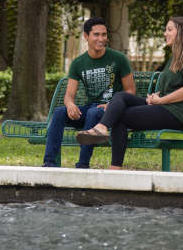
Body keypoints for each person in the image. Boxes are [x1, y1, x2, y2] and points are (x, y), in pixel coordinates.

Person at [76, 16, 183, 170]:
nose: (165, 33)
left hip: (178, 113)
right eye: (166, 30)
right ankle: (102, 128)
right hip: (166, 106)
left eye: (169, 29)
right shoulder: (176, 57)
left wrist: (161, 101)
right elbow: (173, 86)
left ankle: (114, 167)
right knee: (121, 96)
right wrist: (156, 95)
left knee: (120, 117)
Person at [43, 16, 135, 168]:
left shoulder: (118, 58)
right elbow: (69, 95)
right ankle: (49, 162)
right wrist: (70, 105)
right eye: (96, 34)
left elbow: (130, 91)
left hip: (110, 111)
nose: (101, 38)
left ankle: (83, 164)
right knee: (60, 112)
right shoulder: (78, 63)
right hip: (90, 107)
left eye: (104, 34)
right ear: (86, 36)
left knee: (93, 113)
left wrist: (112, 105)